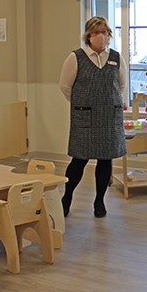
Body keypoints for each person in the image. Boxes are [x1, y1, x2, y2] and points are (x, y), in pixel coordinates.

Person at [58, 16, 127, 218]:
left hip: (109, 117)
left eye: (104, 32)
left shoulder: (115, 57)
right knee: (78, 160)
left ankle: (99, 201)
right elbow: (64, 86)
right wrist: (83, 104)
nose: (101, 36)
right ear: (88, 35)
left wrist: (109, 102)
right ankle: (67, 197)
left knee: (105, 160)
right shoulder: (75, 57)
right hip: (85, 118)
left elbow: (121, 85)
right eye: (96, 32)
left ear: (109, 35)